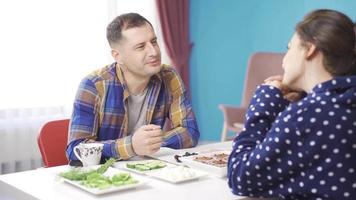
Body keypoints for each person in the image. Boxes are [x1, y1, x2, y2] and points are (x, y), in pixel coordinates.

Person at [228, 9, 356, 200]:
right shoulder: (341, 102)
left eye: (289, 48)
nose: (284, 60)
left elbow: (241, 176)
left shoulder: (310, 113)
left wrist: (264, 102)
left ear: (310, 48)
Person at [66, 13, 199, 162]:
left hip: (152, 171)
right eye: (141, 46)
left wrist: (152, 142)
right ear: (118, 56)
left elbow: (190, 132)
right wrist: (131, 146)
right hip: (107, 179)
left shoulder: (169, 76)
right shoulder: (93, 85)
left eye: (154, 42)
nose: (154, 52)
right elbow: (76, 150)